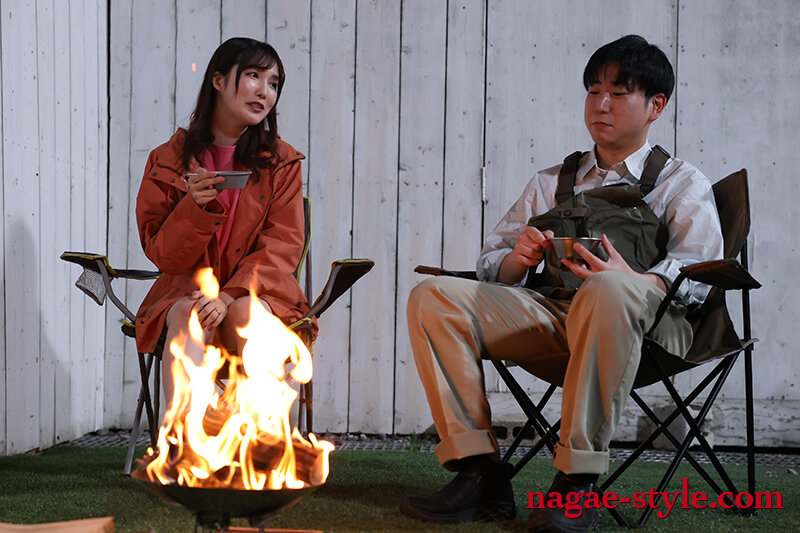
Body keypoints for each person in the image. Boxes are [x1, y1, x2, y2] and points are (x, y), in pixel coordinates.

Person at [401, 35, 723, 532]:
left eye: (618, 93)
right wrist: (518, 258)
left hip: (650, 330)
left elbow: (700, 272)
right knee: (432, 297)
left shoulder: (681, 182)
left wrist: (634, 279)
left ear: (656, 106)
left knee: (608, 289)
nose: (601, 105)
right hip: (557, 319)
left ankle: (576, 482)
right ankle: (479, 473)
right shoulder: (552, 181)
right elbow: (490, 264)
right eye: (594, 92)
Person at [134, 37, 314, 407]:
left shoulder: (281, 162)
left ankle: (257, 432)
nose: (264, 92)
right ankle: (185, 438)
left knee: (247, 313)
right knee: (191, 314)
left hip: (261, 293)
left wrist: (229, 296)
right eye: (253, 76)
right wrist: (194, 209)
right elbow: (163, 255)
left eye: (274, 83)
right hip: (186, 291)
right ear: (218, 80)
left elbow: (282, 247)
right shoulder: (168, 160)